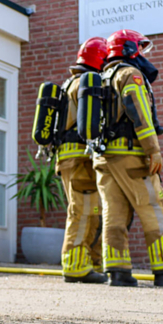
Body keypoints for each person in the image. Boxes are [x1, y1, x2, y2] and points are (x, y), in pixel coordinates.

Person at [93, 29, 163, 288]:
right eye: (140, 47)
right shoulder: (130, 74)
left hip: (103, 157)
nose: (143, 54)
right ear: (129, 49)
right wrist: (153, 149)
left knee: (113, 212)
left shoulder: (101, 77)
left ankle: (118, 272)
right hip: (131, 155)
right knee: (153, 207)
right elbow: (138, 112)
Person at [57, 37, 109, 283]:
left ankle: (88, 262)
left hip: (68, 157)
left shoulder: (68, 84)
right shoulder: (85, 84)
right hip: (80, 158)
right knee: (83, 211)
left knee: (87, 210)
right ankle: (76, 265)